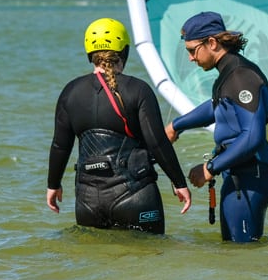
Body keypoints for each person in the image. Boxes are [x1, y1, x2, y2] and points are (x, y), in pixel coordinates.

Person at [46, 17, 191, 234]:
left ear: (89, 53)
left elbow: (60, 146)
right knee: (147, 259)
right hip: (136, 197)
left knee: (99, 264)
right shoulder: (138, 90)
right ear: (124, 51)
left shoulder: (70, 91)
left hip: (87, 202)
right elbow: (157, 142)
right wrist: (179, 183)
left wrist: (53, 185)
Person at [165, 11, 268, 243]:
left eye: (192, 51)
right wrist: (176, 126)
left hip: (251, 179)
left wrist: (210, 168)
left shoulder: (241, 76)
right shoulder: (230, 73)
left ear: (212, 43)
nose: (190, 58)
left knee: (241, 256)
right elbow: (218, 108)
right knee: (239, 254)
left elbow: (252, 136)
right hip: (243, 176)